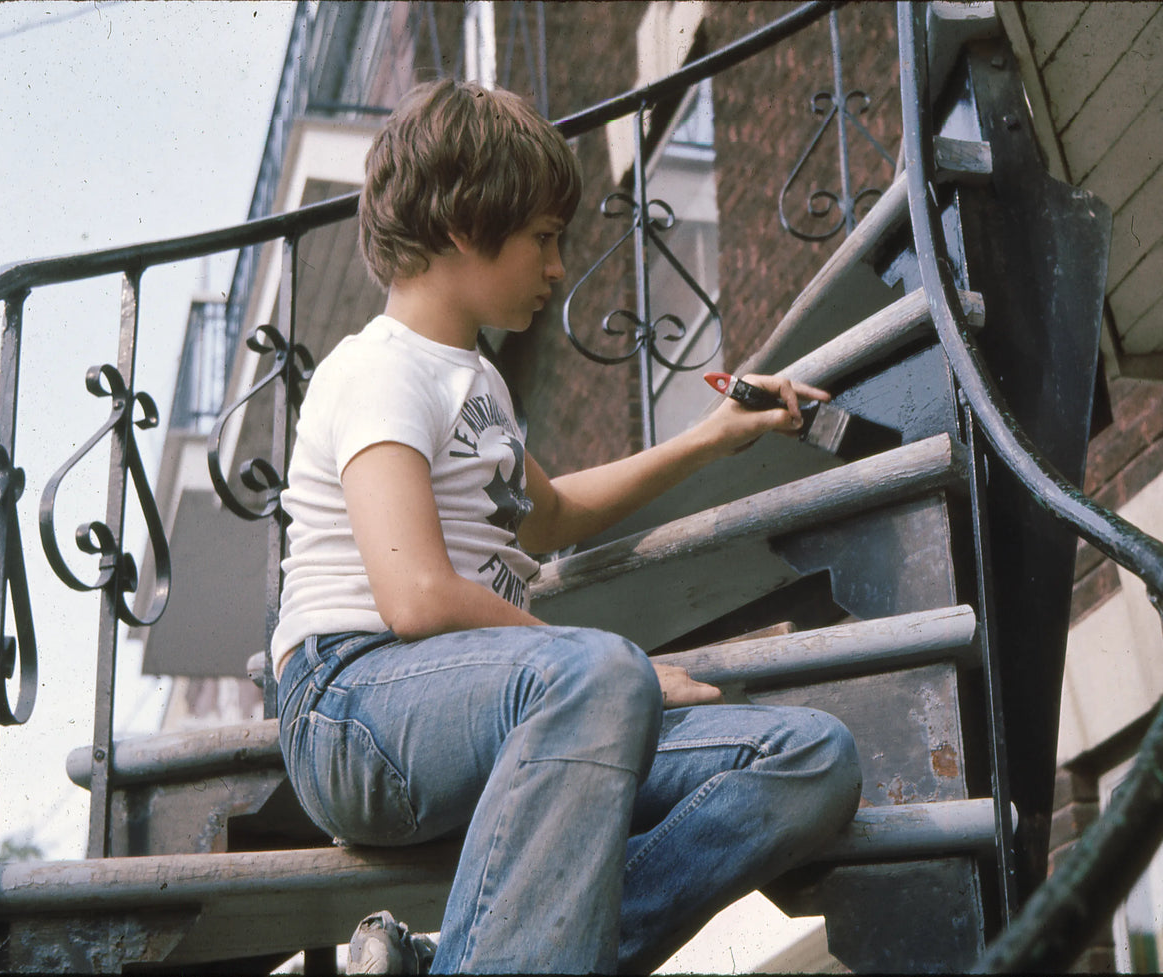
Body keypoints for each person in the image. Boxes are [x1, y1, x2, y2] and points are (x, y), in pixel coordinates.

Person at [270, 79, 862, 975]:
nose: (556, 269)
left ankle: (464, 960)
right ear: (466, 227)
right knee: (600, 668)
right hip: (356, 709)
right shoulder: (377, 370)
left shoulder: (477, 384)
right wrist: (613, 674)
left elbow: (549, 516)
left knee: (808, 757)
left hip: (503, 714)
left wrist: (712, 439)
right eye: (543, 240)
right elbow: (416, 594)